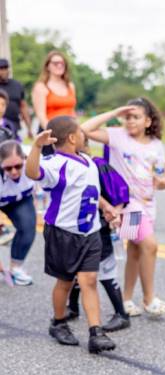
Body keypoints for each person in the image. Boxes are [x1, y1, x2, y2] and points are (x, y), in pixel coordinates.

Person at [25, 119, 117, 353]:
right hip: (63, 232)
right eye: (81, 132)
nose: (85, 135)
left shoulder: (88, 161)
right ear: (73, 138)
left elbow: (91, 190)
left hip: (91, 230)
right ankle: (58, 323)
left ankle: (96, 332)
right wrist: (36, 147)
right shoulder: (55, 163)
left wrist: (105, 206)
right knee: (65, 282)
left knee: (89, 280)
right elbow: (32, 172)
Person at [81, 98, 165, 318]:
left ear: (148, 121)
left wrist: (163, 182)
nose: (130, 121)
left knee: (134, 250)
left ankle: (127, 299)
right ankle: (149, 299)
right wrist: (115, 111)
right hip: (127, 204)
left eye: (136, 117)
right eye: (128, 117)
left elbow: (164, 176)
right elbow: (83, 129)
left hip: (149, 205)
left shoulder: (155, 145)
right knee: (150, 245)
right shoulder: (117, 136)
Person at [66, 138, 131, 332]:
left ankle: (122, 313)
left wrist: (113, 211)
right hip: (78, 226)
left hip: (99, 226)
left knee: (104, 268)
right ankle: (73, 306)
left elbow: (121, 190)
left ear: (84, 144)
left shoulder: (97, 165)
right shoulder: (71, 165)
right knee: (77, 267)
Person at [0, 140, 38, 285]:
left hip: (20, 199)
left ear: (25, 158)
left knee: (28, 227)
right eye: (8, 168)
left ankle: (16, 268)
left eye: (18, 166)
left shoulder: (35, 161)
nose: (14, 171)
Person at [32, 51, 77, 156]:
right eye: (55, 63)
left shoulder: (70, 86)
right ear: (48, 66)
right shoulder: (41, 86)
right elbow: (41, 115)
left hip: (69, 133)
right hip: (50, 135)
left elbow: (72, 110)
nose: (60, 65)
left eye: (62, 63)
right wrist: (55, 135)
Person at [0, 58, 32, 140]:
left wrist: (29, 128)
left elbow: (23, 106)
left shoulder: (17, 85)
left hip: (14, 125)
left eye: (5, 68)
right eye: (1, 69)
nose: (3, 71)